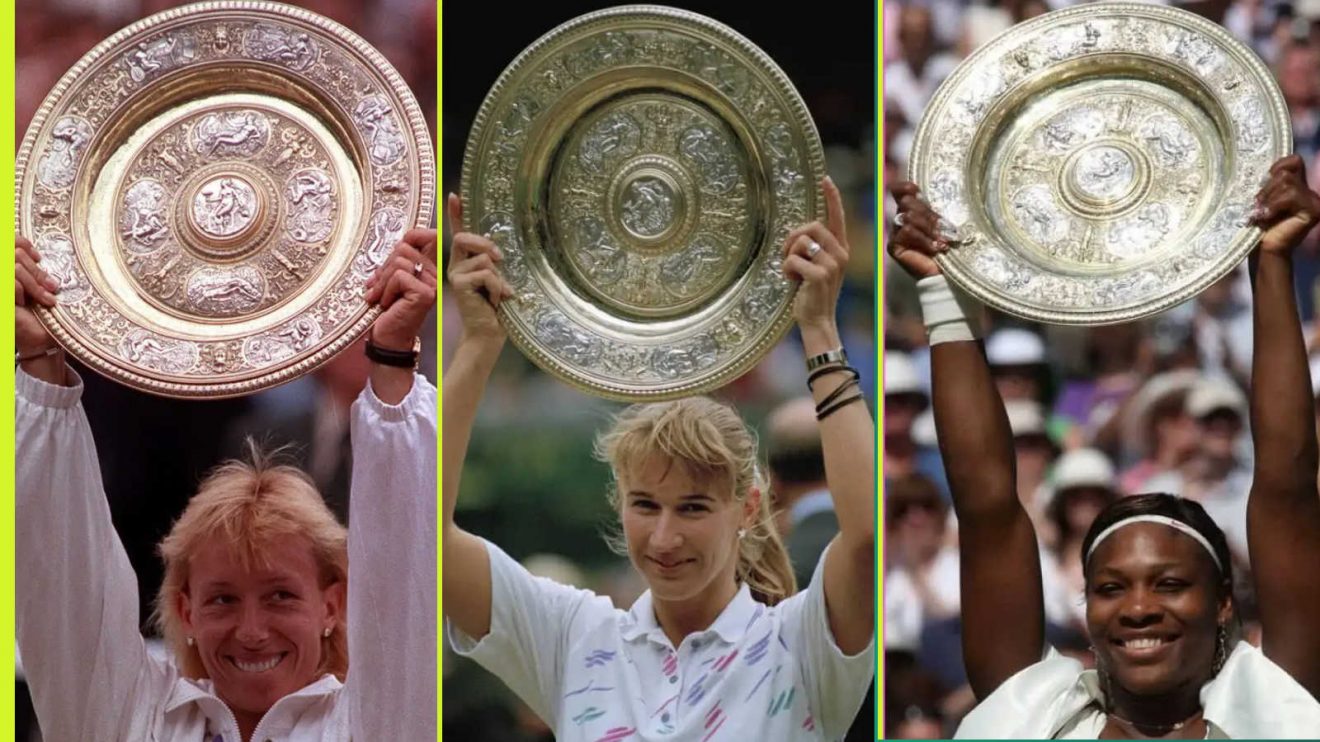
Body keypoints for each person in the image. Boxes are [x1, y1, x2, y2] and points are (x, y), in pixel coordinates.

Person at [887, 153, 1320, 737]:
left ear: (1223, 602)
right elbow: (986, 507)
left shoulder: (1273, 707)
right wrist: (941, 289)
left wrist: (1271, 259)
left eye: (1170, 584)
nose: (1139, 609)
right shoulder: (1036, 717)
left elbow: (1288, 486)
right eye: (1111, 589)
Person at [443, 177, 875, 740]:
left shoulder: (799, 644)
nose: (664, 538)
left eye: (693, 508)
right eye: (645, 505)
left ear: (748, 508)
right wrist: (477, 346)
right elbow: (425, 535)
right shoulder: (573, 637)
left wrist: (819, 329)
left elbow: (865, 537)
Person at [15, 229, 439, 741]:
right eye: (222, 600)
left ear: (333, 605)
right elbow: (62, 567)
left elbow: (402, 567)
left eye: (280, 595)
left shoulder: (373, 725)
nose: (252, 632)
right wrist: (38, 355)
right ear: (185, 611)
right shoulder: (132, 721)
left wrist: (393, 356)